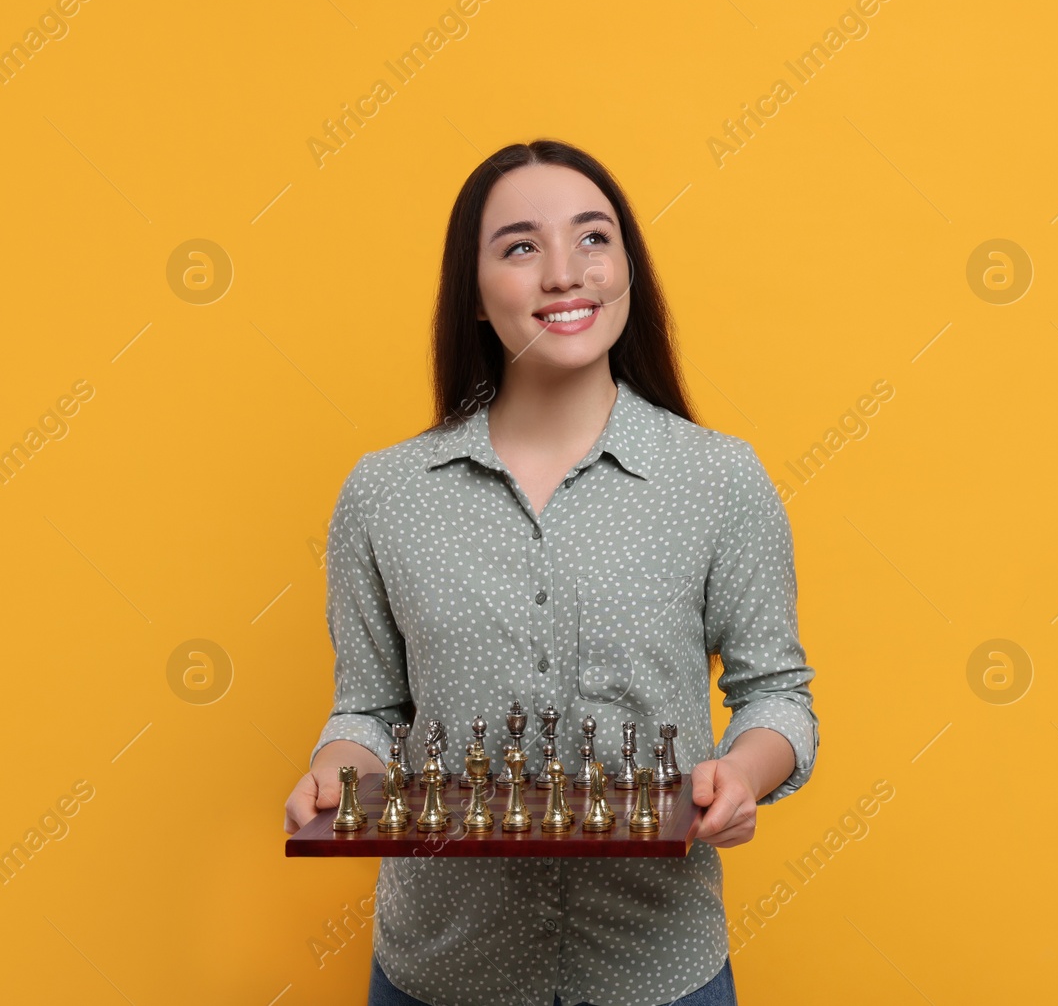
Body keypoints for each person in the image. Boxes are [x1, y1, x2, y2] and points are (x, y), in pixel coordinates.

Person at [282, 139, 818, 1006]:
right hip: (441, 974)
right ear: (476, 296)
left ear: (628, 272)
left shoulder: (719, 479)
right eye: (522, 246)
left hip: (658, 972)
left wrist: (744, 773)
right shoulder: (383, 493)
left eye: (594, 238)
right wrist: (332, 772)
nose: (566, 273)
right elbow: (369, 708)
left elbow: (779, 693)